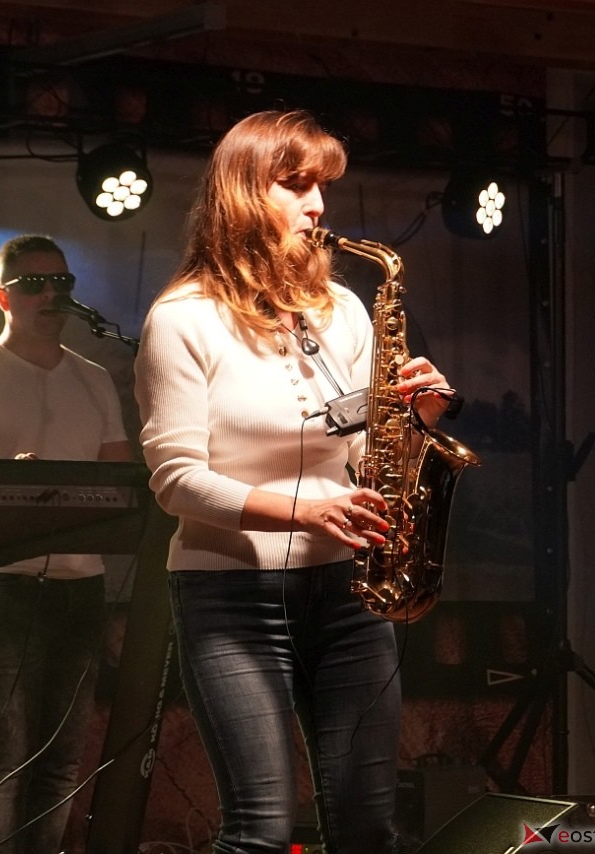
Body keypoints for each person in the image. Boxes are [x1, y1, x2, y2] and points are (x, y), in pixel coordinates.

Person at [133, 109, 454, 854]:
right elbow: (176, 482)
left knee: (368, 830)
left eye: (323, 187)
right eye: (297, 185)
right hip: (229, 597)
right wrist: (304, 512)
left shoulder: (345, 310)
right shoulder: (182, 320)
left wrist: (417, 419)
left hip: (349, 593)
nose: (317, 206)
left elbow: (367, 447)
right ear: (243, 194)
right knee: (261, 832)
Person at [0, 234, 132, 854]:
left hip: (82, 587)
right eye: (34, 284)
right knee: (8, 749)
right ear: (2, 297)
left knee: (63, 757)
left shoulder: (93, 378)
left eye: (61, 282)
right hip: (3, 582)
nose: (51, 294)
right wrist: (13, 481)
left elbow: (119, 483)